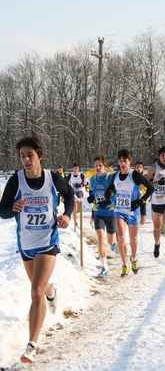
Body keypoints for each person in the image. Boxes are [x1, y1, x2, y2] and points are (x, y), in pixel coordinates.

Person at [0, 136, 74, 364]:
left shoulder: (52, 178)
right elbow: (2, 211)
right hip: (26, 244)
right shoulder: (16, 181)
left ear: (39, 156)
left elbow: (69, 194)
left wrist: (66, 215)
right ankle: (52, 293)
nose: (25, 159)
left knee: (35, 290)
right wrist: (13, 208)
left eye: (29, 155)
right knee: (41, 289)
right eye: (22, 155)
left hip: (47, 241)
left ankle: (32, 344)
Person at [104, 149, 154, 277]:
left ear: (130, 161)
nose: (122, 164)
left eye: (125, 161)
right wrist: (108, 194)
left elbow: (151, 188)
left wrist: (140, 201)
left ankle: (134, 258)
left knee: (134, 238)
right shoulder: (115, 176)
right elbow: (109, 189)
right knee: (120, 237)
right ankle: (125, 263)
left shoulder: (135, 175)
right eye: (120, 161)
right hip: (119, 210)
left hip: (133, 211)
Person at [87, 155, 118, 277]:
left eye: (100, 165)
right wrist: (91, 199)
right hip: (98, 212)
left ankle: (115, 245)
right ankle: (104, 267)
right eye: (96, 166)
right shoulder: (92, 180)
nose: (98, 167)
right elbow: (93, 195)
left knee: (111, 242)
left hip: (110, 213)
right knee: (100, 239)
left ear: (104, 166)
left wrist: (109, 201)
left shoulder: (110, 178)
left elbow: (116, 194)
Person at [134, 161, 148, 225]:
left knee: (143, 221)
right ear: (135, 168)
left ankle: (138, 227)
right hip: (135, 200)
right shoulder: (132, 177)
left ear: (142, 168)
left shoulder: (145, 177)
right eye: (137, 167)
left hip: (143, 200)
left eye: (140, 167)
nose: (139, 169)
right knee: (135, 219)